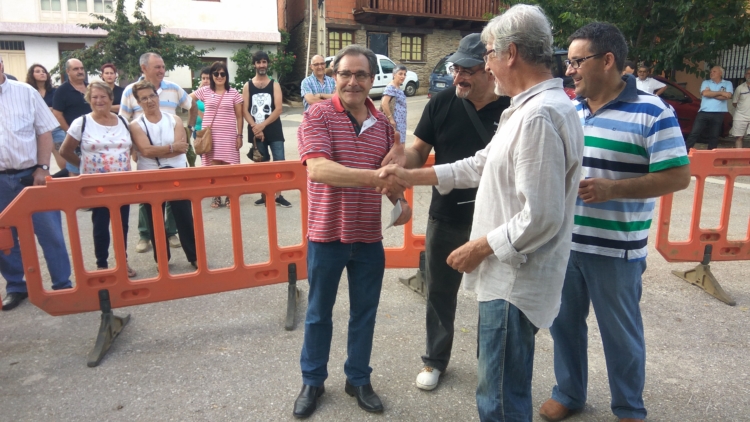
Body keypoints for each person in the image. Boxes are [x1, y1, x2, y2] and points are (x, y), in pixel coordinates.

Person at [380, 5, 584, 420]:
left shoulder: (538, 115)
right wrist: (409, 175)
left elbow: (542, 216)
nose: (487, 66)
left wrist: (480, 247)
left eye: (488, 55)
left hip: (513, 280)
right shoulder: (526, 108)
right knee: (502, 386)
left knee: (500, 398)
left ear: (511, 53)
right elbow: (478, 164)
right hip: (506, 274)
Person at [538, 23, 691, 422]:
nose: (569, 70)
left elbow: (678, 176)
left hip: (617, 250)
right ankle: (569, 393)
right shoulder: (570, 110)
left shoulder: (653, 112)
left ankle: (628, 407)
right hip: (565, 244)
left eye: (577, 61)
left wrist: (613, 189)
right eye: (569, 62)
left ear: (607, 60)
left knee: (620, 334)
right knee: (563, 326)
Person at [292, 44, 412, 419]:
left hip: (368, 237)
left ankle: (358, 378)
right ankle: (313, 381)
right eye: (345, 74)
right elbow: (319, 169)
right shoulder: (318, 115)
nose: (353, 82)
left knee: (365, 314)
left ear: (372, 78)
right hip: (326, 235)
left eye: (361, 75)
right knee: (318, 313)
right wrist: (375, 178)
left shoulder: (385, 126)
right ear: (334, 76)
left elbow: (391, 179)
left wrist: (400, 199)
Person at [388, 33, 511, 392]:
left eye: (467, 70)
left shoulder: (512, 109)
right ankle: (435, 359)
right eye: (456, 69)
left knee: (495, 296)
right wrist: (403, 162)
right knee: (440, 292)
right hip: (446, 215)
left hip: (497, 219)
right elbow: (418, 151)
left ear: (490, 69)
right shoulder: (441, 103)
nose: (458, 77)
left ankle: (491, 365)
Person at [0, 56, 73, 311]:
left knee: (50, 233)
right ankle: (16, 287)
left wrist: (43, 167)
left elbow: (44, 131)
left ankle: (62, 285)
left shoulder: (26, 92)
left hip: (31, 176)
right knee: (4, 238)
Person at [59, 81, 136, 277]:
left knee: (122, 224)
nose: (99, 100)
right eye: (94, 97)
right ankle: (102, 264)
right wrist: (84, 165)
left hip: (122, 184)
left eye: (103, 97)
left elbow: (130, 148)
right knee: (101, 224)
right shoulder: (82, 122)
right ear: (89, 100)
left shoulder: (123, 121)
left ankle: (122, 262)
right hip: (97, 185)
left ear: (111, 98)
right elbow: (65, 151)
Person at [120, 52, 193, 253]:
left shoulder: (174, 88)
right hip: (145, 155)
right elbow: (124, 121)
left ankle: (171, 233)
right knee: (150, 207)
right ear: (144, 68)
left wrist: (190, 128)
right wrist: (136, 148)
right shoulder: (130, 91)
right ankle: (146, 237)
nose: (161, 70)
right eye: (157, 67)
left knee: (178, 205)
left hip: (172, 159)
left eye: (162, 67)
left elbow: (191, 107)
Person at [128, 80, 197, 269]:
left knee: (184, 215)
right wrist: (171, 148)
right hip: (150, 175)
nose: (149, 101)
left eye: (152, 96)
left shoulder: (174, 119)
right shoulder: (136, 125)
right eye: (144, 98)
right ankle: (162, 260)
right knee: (154, 218)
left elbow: (182, 148)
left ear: (158, 96)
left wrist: (159, 150)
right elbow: (145, 150)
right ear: (138, 102)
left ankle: (194, 255)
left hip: (176, 172)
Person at [190, 61, 243, 209]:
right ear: (212, 75)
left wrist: (239, 136)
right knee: (214, 168)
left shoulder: (233, 93)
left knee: (229, 168)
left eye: (222, 73)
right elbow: (187, 99)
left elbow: (239, 116)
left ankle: (229, 196)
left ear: (226, 75)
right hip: (211, 136)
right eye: (216, 73)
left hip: (228, 135)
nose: (219, 76)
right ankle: (216, 195)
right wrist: (200, 90)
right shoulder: (205, 91)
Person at [243, 51, 292, 208]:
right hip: (255, 131)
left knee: (279, 161)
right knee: (261, 164)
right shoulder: (248, 86)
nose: (262, 65)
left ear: (267, 64)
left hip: (274, 130)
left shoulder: (274, 84)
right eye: (259, 62)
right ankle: (264, 195)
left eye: (264, 62)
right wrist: (255, 128)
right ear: (254, 65)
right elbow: (245, 110)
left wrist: (262, 126)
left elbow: (278, 109)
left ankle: (278, 195)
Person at [52, 58, 91, 176]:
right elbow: (57, 115)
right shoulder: (61, 91)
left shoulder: (91, 88)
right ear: (68, 71)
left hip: (93, 136)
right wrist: (71, 133)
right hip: (74, 138)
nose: (80, 71)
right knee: (75, 171)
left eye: (82, 68)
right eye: (76, 69)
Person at [26, 63, 67, 171]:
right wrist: (49, 109)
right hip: (36, 131)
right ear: (31, 75)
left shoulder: (55, 92)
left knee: (63, 159)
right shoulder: (29, 92)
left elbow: (60, 109)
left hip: (55, 129)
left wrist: (46, 110)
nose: (42, 73)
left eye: (44, 71)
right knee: (38, 162)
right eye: (38, 71)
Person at [684, 66, 733, 151]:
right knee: (694, 133)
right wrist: (721, 93)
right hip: (704, 112)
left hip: (719, 113)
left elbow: (727, 96)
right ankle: (685, 151)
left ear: (720, 73)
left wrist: (711, 93)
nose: (711, 73)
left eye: (714, 71)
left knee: (714, 135)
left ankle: (711, 153)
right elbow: (705, 94)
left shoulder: (727, 83)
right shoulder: (706, 82)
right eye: (711, 71)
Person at [380, 65, 408, 145]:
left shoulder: (397, 87)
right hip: (395, 122)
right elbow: (384, 103)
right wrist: (391, 119)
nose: (403, 76)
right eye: (400, 74)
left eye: (404, 74)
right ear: (394, 75)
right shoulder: (391, 87)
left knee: (401, 145)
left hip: (401, 122)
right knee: (397, 145)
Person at [730, 67, 750, 148]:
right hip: (740, 116)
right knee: (739, 137)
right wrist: (742, 109)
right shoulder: (740, 88)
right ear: (745, 75)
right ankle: (739, 154)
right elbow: (734, 102)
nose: (749, 75)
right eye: (748, 73)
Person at [192, 67, 211, 140]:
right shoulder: (198, 94)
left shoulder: (215, 94)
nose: (205, 81)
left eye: (208, 78)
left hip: (210, 130)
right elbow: (188, 102)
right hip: (198, 130)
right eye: (203, 78)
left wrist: (203, 116)